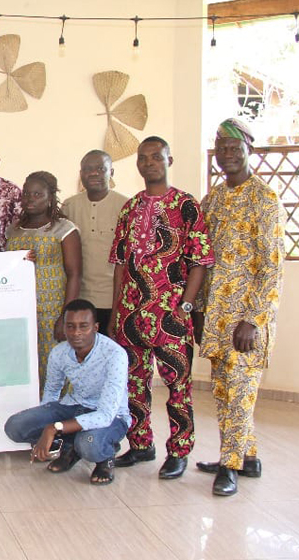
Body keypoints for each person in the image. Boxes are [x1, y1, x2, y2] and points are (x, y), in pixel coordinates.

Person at [110, 136, 214, 480]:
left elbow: (200, 261)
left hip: (170, 314)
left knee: (178, 386)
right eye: (143, 158)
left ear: (169, 160)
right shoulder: (130, 208)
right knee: (133, 384)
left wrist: (186, 305)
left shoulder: (186, 205)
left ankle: (179, 451)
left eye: (156, 156)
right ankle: (140, 445)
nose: (149, 162)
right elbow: (120, 264)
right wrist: (116, 311)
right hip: (131, 314)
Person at [193, 119, 285, 496]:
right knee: (223, 391)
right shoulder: (212, 200)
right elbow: (202, 258)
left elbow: (272, 267)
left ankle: (229, 466)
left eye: (235, 149)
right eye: (222, 149)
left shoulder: (265, 199)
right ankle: (247, 457)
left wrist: (253, 320)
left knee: (241, 393)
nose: (228, 155)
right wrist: (198, 310)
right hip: (216, 318)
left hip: (247, 321)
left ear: (250, 151)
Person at [4, 299, 130, 485]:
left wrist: (54, 428)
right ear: (64, 328)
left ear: (95, 327)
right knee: (15, 426)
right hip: (74, 406)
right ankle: (70, 447)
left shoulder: (115, 355)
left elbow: (105, 415)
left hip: (111, 416)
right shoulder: (59, 352)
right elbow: (52, 391)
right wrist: (45, 423)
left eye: (83, 326)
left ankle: (105, 456)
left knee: (88, 444)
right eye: (70, 326)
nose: (76, 333)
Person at [5, 171, 82, 388]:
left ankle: (58, 409)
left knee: (54, 368)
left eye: (37, 194)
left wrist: (65, 318)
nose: (30, 199)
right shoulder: (13, 231)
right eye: (27, 193)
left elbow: (75, 274)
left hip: (52, 312)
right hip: (21, 312)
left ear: (50, 198)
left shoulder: (64, 229)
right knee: (26, 368)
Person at [62, 150, 129, 334]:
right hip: (79, 299)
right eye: (87, 169)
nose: (93, 173)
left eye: (100, 168)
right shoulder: (69, 206)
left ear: (111, 172)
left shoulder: (126, 206)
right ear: (80, 173)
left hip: (113, 301)